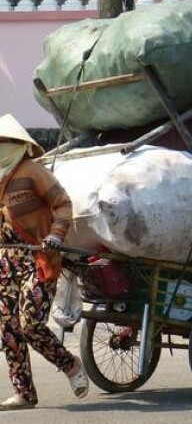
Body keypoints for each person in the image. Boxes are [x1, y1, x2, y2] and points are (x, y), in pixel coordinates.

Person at [0, 113, 89, 411]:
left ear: (17, 144)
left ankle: (70, 364)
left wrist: (56, 234)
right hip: (6, 262)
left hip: (40, 258)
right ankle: (24, 393)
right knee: (8, 329)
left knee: (30, 324)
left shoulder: (31, 171)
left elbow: (62, 203)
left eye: (3, 143)